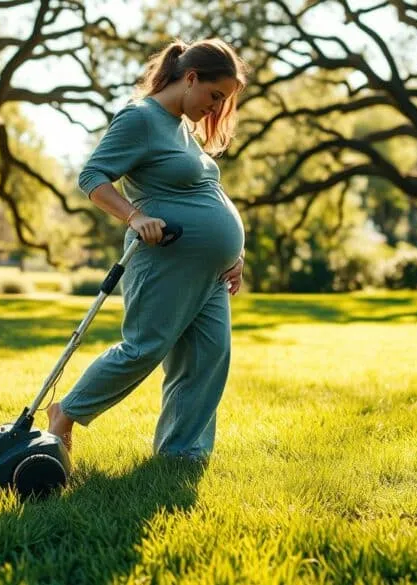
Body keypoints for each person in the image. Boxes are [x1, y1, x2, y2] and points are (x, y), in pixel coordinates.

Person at [46, 38, 250, 462]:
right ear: (190, 77)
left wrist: (236, 254)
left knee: (207, 358)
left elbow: (206, 192)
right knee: (144, 348)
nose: (216, 108)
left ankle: (180, 453)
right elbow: (93, 176)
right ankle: (65, 412)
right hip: (165, 260)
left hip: (212, 273)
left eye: (223, 101)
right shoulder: (141, 118)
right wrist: (135, 216)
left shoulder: (182, 128)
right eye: (215, 96)